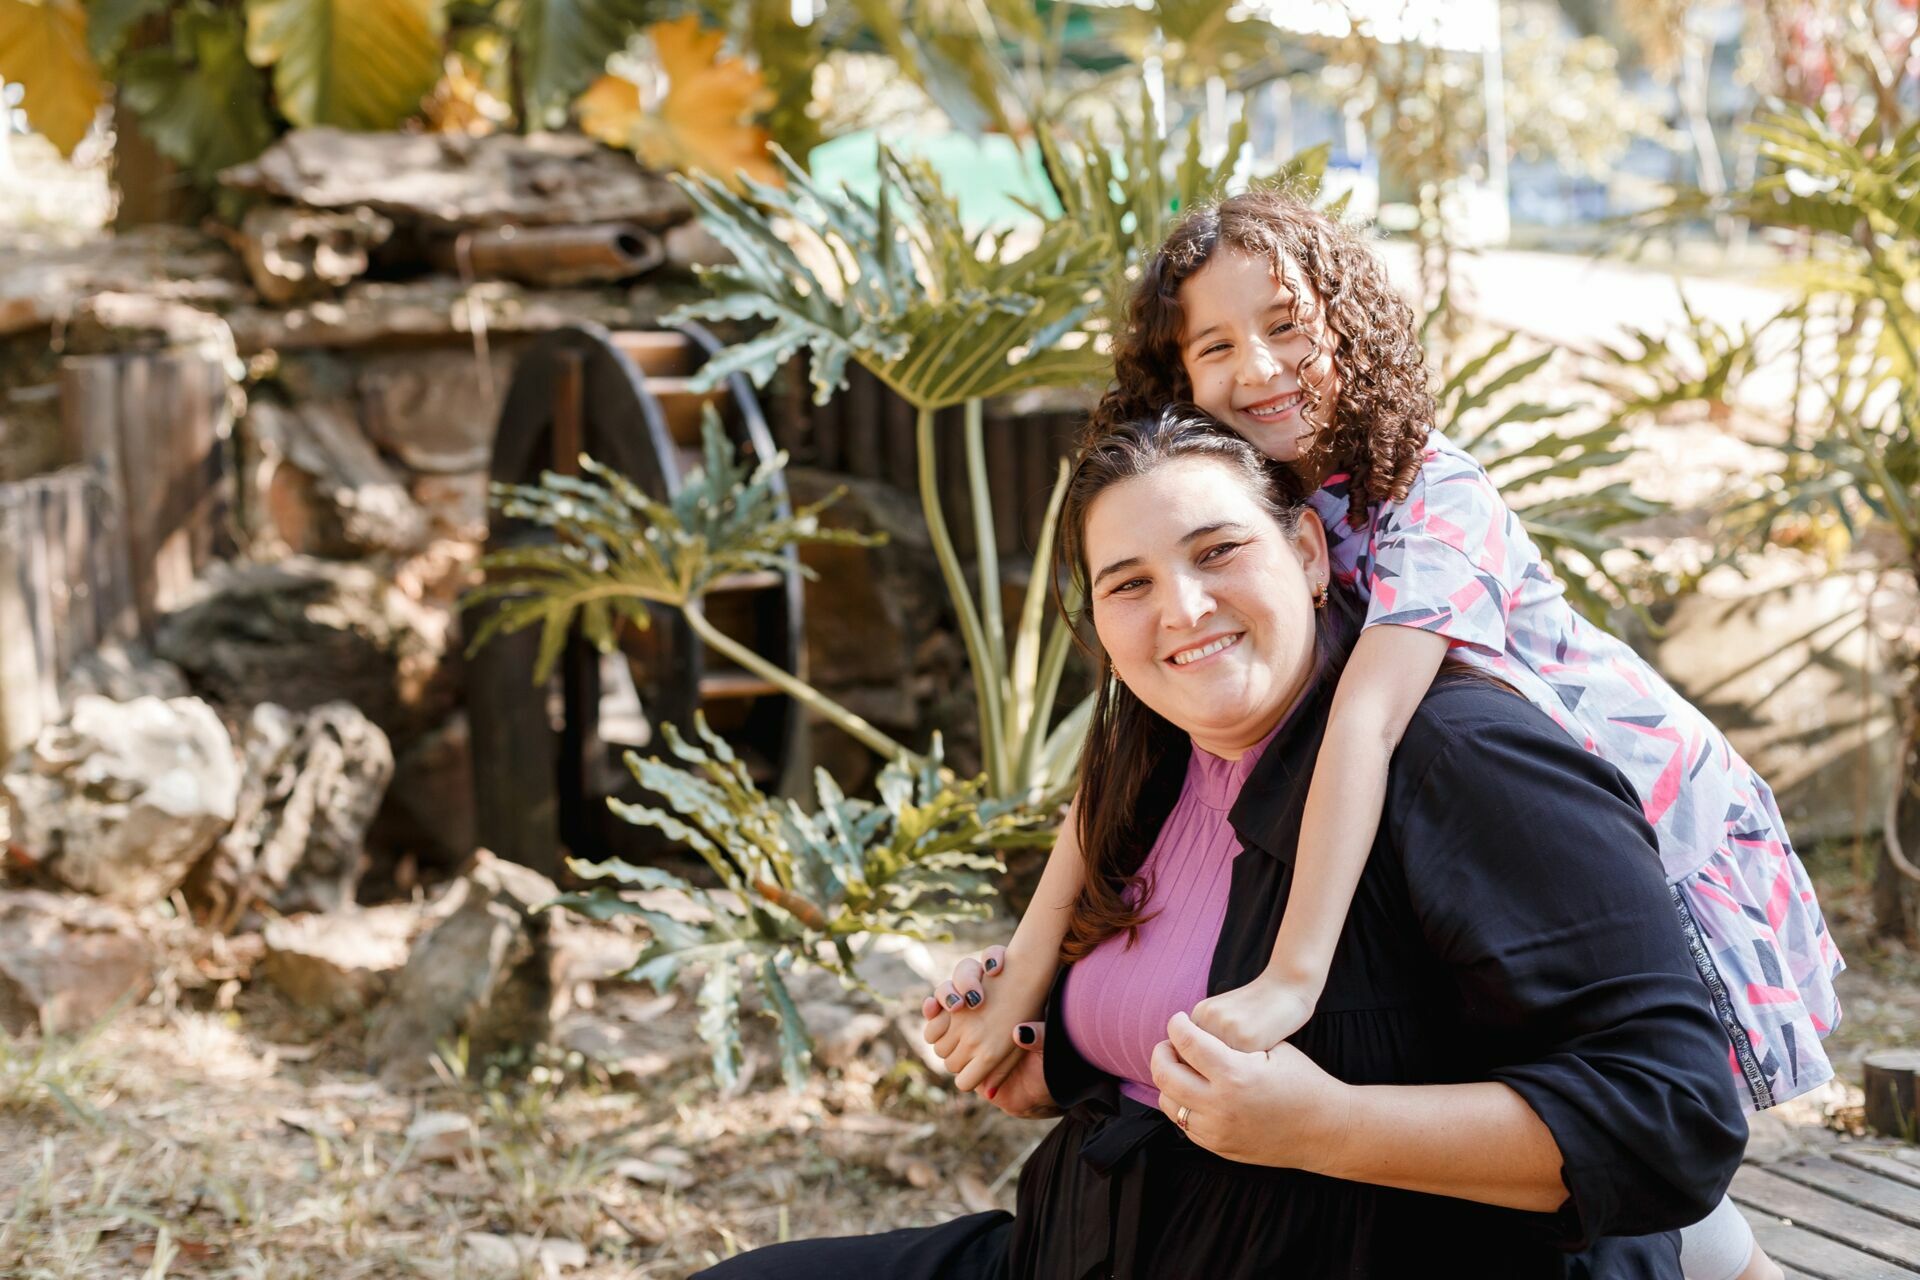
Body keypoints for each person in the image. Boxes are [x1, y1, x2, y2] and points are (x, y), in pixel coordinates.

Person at [935, 190, 1839, 1280]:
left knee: (1632, 1084)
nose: (1260, 366)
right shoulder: (1256, 500)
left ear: (1351, 331)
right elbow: (1113, 768)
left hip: (1633, 793)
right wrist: (1029, 972)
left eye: (1287, 326)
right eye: (1216, 345)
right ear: (1179, 381)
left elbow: (1361, 722)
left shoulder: (1425, 497)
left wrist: (1293, 978)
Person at [700, 409, 1747, 1279]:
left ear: (1303, 548)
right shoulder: (1153, 759)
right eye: (1130, 582)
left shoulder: (1460, 757)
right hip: (1078, 1251)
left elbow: (1673, 1111)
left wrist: (1328, 1124)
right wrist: (1047, 1045)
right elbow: (1171, 1030)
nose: (1183, 608)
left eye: (1217, 551)